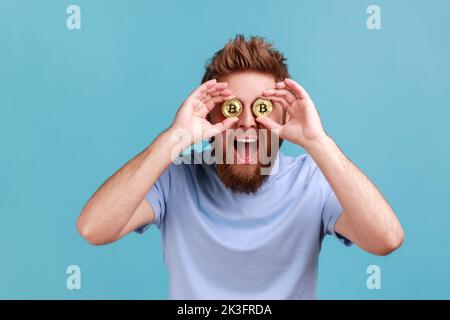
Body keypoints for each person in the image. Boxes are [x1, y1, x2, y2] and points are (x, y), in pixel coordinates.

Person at [77, 35, 404, 299]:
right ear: (209, 117)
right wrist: (174, 138)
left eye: (262, 108)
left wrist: (318, 141)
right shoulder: (176, 177)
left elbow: (385, 239)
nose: (247, 122)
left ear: (284, 117)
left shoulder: (311, 182)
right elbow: (95, 229)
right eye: (232, 108)